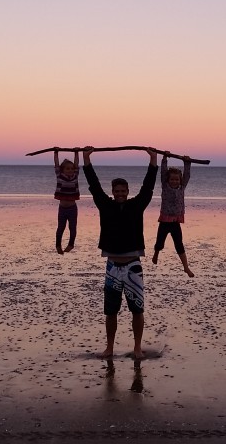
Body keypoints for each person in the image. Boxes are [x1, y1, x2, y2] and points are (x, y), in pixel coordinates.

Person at [82, 146, 158, 359]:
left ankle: (136, 347)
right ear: (113, 192)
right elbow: (94, 186)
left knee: (137, 310)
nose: (120, 194)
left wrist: (153, 160)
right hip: (112, 267)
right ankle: (110, 348)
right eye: (117, 191)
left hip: (133, 266)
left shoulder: (137, 205)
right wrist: (86, 160)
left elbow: (148, 188)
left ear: (127, 191)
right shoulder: (105, 205)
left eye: (123, 191)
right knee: (110, 311)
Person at [152, 155, 195, 277]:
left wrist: (187, 162)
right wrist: (165, 158)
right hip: (165, 220)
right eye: (172, 179)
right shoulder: (165, 187)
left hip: (175, 221)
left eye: (177, 180)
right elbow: (163, 173)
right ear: (168, 180)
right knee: (160, 242)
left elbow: (187, 175)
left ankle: (186, 267)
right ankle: (156, 254)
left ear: (180, 181)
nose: (174, 181)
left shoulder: (182, 188)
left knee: (179, 244)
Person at [53, 149, 80, 254]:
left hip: (72, 208)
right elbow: (56, 164)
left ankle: (71, 244)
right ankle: (58, 245)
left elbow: (77, 164)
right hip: (62, 208)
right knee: (61, 227)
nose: (70, 170)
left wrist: (76, 153)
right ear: (62, 170)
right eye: (67, 169)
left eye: (71, 169)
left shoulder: (75, 176)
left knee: (72, 227)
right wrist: (56, 153)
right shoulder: (59, 176)